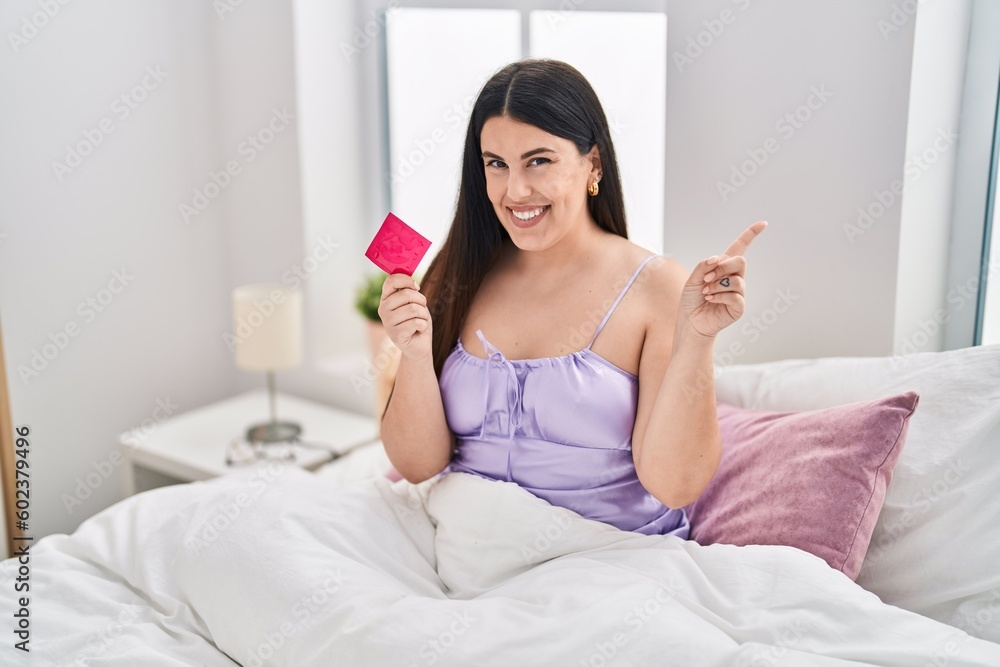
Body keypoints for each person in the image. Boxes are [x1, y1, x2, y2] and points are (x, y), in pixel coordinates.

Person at [378, 59, 766, 537]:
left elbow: (675, 485)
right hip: (468, 556)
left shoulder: (657, 287)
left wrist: (698, 342)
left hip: (604, 565)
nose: (515, 191)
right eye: (496, 164)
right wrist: (414, 355)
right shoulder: (456, 274)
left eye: (538, 161)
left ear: (593, 164)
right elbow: (417, 466)